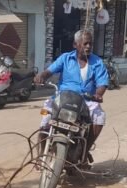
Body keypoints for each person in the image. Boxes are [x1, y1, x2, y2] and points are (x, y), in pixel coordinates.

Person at [34, 30, 108, 161]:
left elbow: (102, 83)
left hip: (85, 100)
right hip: (63, 97)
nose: (88, 46)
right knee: (45, 120)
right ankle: (41, 155)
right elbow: (49, 70)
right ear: (75, 44)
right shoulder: (65, 58)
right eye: (85, 43)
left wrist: (98, 94)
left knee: (99, 117)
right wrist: (41, 76)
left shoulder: (97, 62)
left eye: (90, 44)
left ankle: (85, 152)